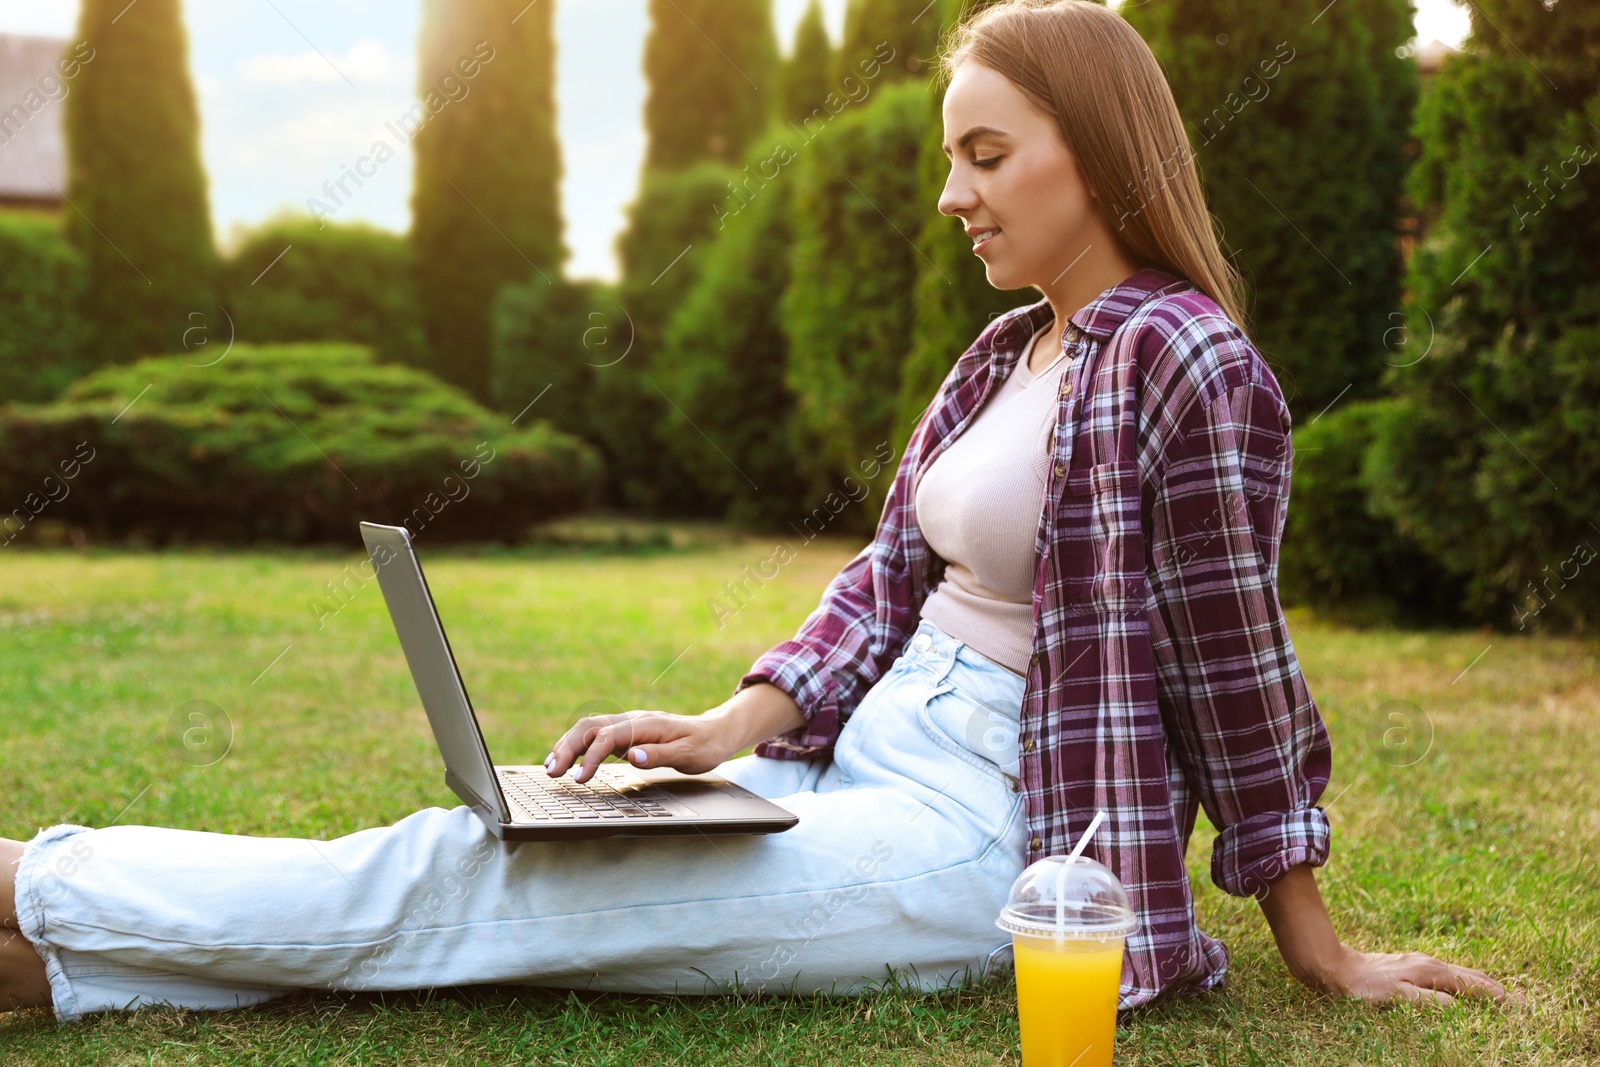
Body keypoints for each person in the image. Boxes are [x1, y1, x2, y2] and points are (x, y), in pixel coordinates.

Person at [1, 0, 1510, 1024]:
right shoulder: (1007, 351)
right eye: (948, 159)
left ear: (1102, 156)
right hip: (861, 766)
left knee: (483, 888)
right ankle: (50, 976)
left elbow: (1235, 659)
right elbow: (885, 582)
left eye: (986, 155)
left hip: (992, 837)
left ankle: (32, 883)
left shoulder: (1194, 362)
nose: (951, 196)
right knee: (514, 853)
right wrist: (729, 731)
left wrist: (1318, 946)